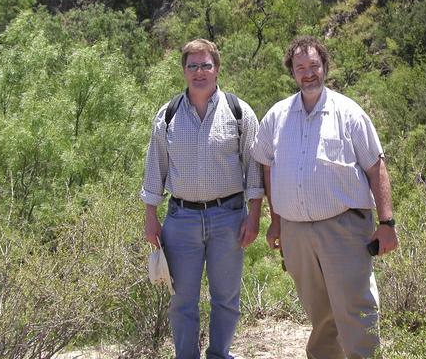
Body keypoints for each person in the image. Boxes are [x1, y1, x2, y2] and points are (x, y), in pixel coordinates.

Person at [251, 35, 398, 359]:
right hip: (295, 232)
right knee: (320, 316)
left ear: (325, 67)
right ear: (292, 71)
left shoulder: (349, 113)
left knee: (355, 310)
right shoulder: (276, 117)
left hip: (344, 229)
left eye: (314, 65)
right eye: (300, 67)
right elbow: (266, 167)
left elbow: (376, 167)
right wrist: (275, 222)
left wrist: (387, 223)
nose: (308, 73)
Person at [141, 38, 263, 359]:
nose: (199, 72)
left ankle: (219, 354)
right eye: (192, 66)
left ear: (217, 68)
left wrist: (254, 217)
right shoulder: (167, 115)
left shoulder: (239, 112)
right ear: (183, 71)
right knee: (182, 301)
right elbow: (155, 168)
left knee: (226, 298)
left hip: (229, 218)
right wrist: (150, 216)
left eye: (205, 65)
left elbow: (254, 169)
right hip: (181, 220)